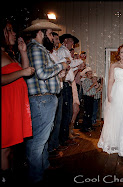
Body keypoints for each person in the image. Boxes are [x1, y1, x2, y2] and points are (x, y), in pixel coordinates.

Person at [23, 19, 68, 183]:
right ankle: (36, 177)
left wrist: (57, 75)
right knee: (38, 141)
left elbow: (41, 73)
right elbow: (41, 73)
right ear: (40, 33)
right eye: (50, 33)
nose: (52, 37)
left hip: (43, 99)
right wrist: (61, 66)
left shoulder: (38, 49)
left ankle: (43, 166)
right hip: (42, 99)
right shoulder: (36, 48)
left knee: (41, 138)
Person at [1, 19, 35, 184]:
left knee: (10, 149)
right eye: (10, 30)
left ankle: (10, 176)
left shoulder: (7, 53)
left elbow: (25, 71)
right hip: (5, 105)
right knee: (4, 149)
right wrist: (22, 73)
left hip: (13, 106)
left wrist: (22, 52)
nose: (14, 33)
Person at [80, 67, 96, 132]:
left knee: (90, 112)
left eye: (91, 73)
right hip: (87, 98)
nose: (90, 75)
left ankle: (89, 126)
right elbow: (87, 89)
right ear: (86, 74)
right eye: (89, 74)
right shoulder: (85, 81)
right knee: (87, 112)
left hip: (91, 97)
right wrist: (93, 85)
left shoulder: (91, 81)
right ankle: (85, 127)